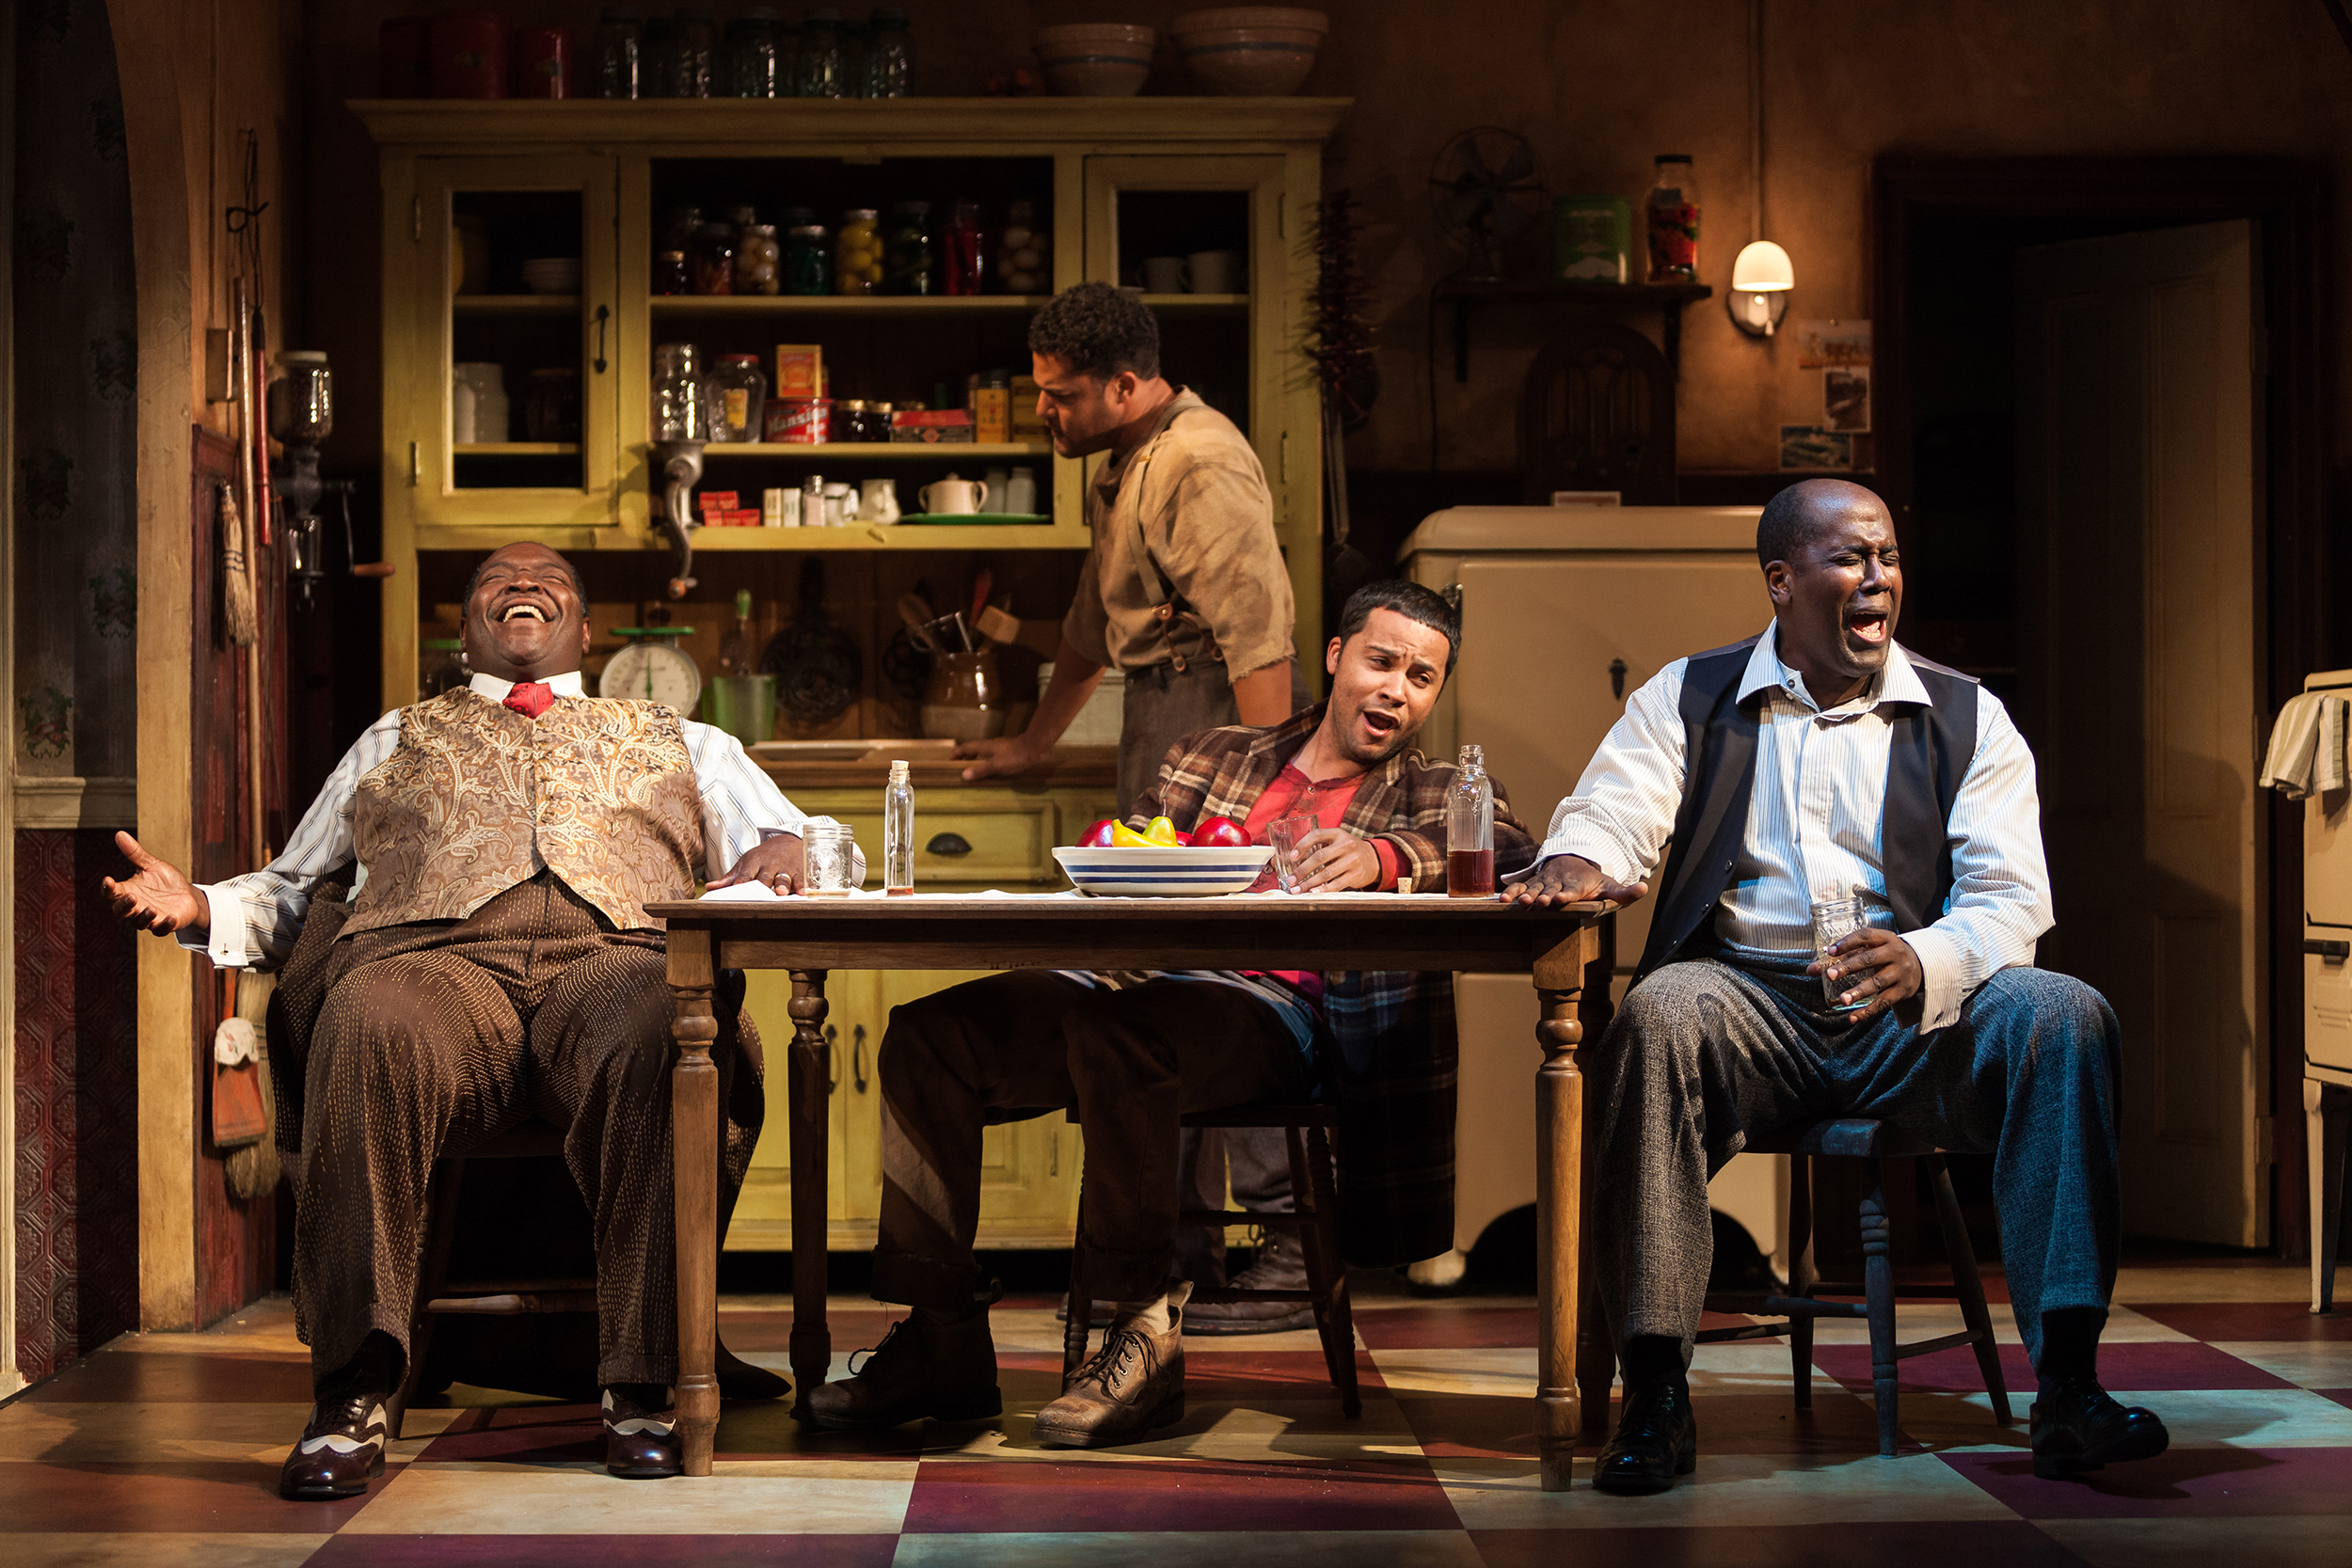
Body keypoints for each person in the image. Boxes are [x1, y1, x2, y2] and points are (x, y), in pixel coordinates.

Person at [101, 543, 844, 1497]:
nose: (524, 583)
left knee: (669, 1023)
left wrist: (787, 840)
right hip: (436, 968)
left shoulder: (683, 739)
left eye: (551, 581)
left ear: (585, 630)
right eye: (498, 578)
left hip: (615, 963)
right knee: (362, 1013)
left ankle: (642, 1380)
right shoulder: (392, 737)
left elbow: (812, 846)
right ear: (465, 630)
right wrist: (202, 907)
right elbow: (295, 887)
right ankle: (355, 1384)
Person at [1507, 479, 2169, 1494]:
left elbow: (2010, 896)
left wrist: (1928, 958)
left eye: (1888, 557)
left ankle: (2070, 1391)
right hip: (1750, 1007)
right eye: (1850, 558)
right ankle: (1653, 1394)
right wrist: (1579, 860)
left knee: (2064, 1014)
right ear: (1780, 580)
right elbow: (1611, 810)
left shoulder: (1964, 714)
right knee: (1657, 1011)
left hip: (1913, 1016)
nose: (1878, 577)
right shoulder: (1691, 695)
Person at [808, 581, 1537, 1447]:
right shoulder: (1214, 756)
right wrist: (1117, 855)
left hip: (1280, 1012)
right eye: (1381, 661)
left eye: (1422, 677)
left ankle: (1142, 1333)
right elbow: (1139, 854)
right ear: (1337, 657)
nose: (1396, 690)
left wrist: (1383, 857)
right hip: (1131, 978)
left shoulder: (1434, 787)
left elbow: (1513, 848)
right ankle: (942, 1339)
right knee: (932, 1036)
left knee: (1127, 1038)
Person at [958, 279, 1313, 1331]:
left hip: (1215, 720)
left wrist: (1265, 797)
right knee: (1159, 981)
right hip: (1159, 719)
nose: (1045, 414)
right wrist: (1032, 741)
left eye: (1061, 396)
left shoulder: (1199, 461)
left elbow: (1260, 636)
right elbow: (1084, 623)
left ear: (1125, 383)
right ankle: (1188, 1239)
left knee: (1229, 972)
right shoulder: (1126, 465)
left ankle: (1286, 1239)